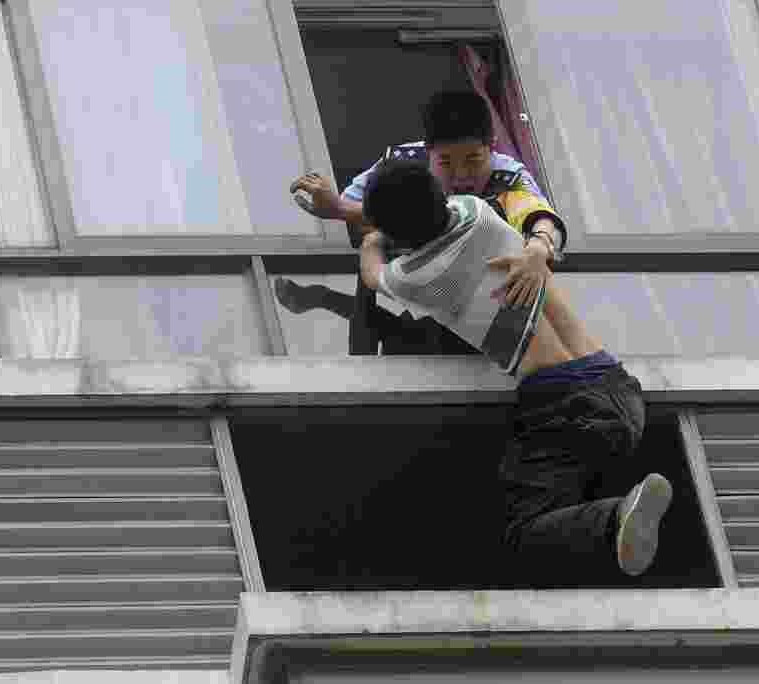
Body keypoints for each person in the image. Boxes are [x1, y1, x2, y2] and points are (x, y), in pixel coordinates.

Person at [357, 159, 673, 577]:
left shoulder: (420, 277)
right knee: (559, 492)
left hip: (564, 406)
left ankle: (615, 516)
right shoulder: (476, 211)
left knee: (523, 530)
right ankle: (613, 519)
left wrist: (370, 239)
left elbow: (372, 274)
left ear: (400, 232)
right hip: (618, 389)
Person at [279, 90, 567, 355]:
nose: (462, 176)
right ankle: (359, 362)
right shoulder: (401, 163)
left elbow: (540, 216)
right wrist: (339, 209)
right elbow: (355, 210)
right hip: (416, 273)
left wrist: (539, 247)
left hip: (475, 289)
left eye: (473, 160)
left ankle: (323, 297)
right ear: (427, 151)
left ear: (491, 147)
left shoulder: (510, 177)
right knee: (390, 321)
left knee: (406, 333)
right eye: (446, 164)